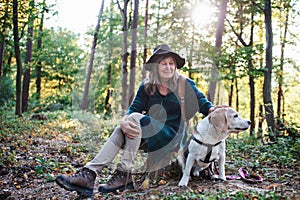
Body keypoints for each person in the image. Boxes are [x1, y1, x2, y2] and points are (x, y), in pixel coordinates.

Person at [55, 44, 219, 197]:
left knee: (133, 119)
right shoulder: (147, 86)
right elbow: (133, 109)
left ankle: (124, 173)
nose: (168, 67)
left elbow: (203, 104)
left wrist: (214, 110)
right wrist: (123, 122)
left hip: (173, 138)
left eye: (171, 63)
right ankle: (89, 174)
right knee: (122, 128)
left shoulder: (184, 84)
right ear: (156, 66)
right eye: (163, 63)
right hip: (150, 134)